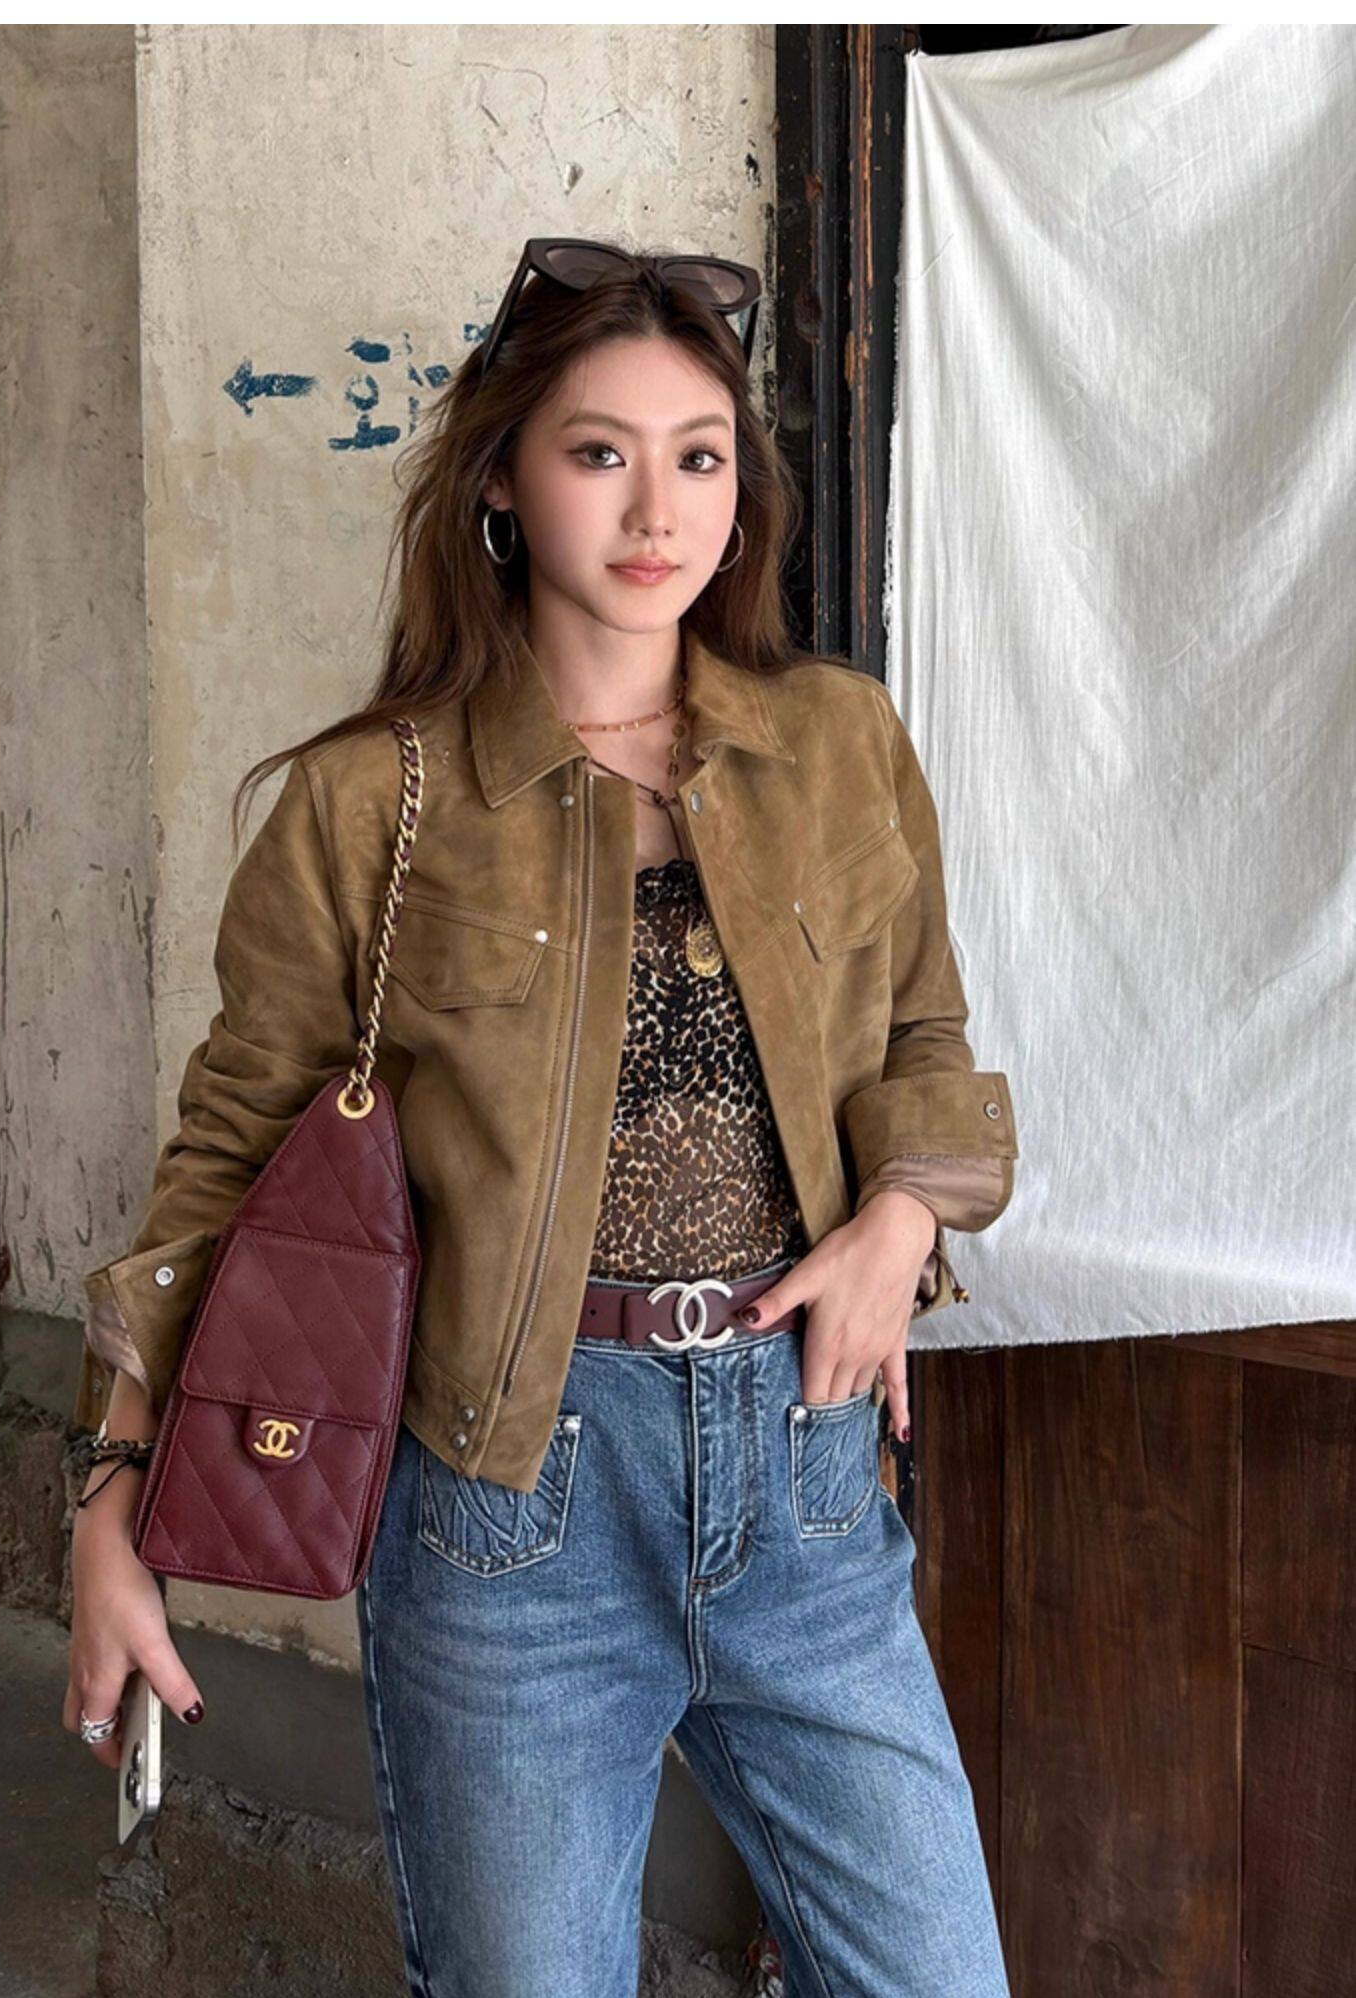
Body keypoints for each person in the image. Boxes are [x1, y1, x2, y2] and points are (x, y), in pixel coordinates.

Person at [64, 237, 1018, 1997]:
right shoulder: (373, 800)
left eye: (700, 454)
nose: (659, 507)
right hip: (511, 1509)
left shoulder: (838, 743)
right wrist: (112, 1493)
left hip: (806, 1477)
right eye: (600, 451)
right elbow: (228, 1161)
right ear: (503, 477)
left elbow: (925, 1034)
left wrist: (903, 1220)